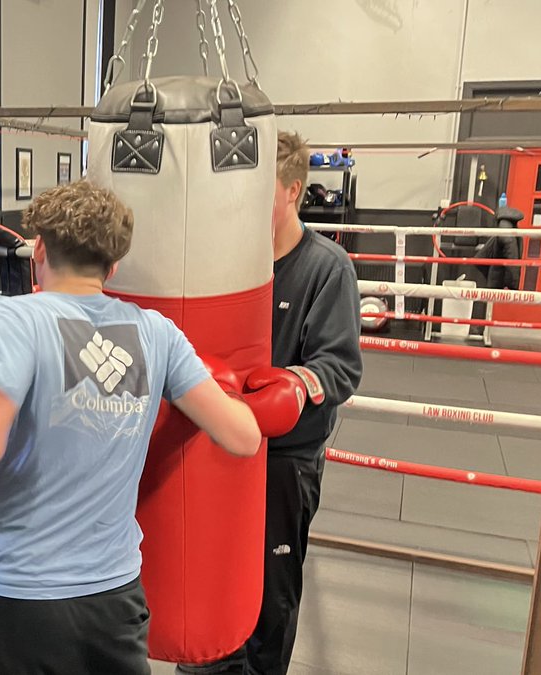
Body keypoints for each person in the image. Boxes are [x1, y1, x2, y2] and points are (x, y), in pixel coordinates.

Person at [0, 179, 264, 674]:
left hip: (14, 590)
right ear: (113, 266)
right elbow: (244, 436)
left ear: (38, 248)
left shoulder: (17, 317)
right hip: (114, 599)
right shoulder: (157, 333)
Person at [183, 132, 363, 675]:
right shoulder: (227, 264)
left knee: (270, 592)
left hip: (284, 458)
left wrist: (290, 387)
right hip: (218, 447)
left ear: (292, 192)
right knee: (207, 578)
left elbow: (341, 366)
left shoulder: (326, 268)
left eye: (258, 191)